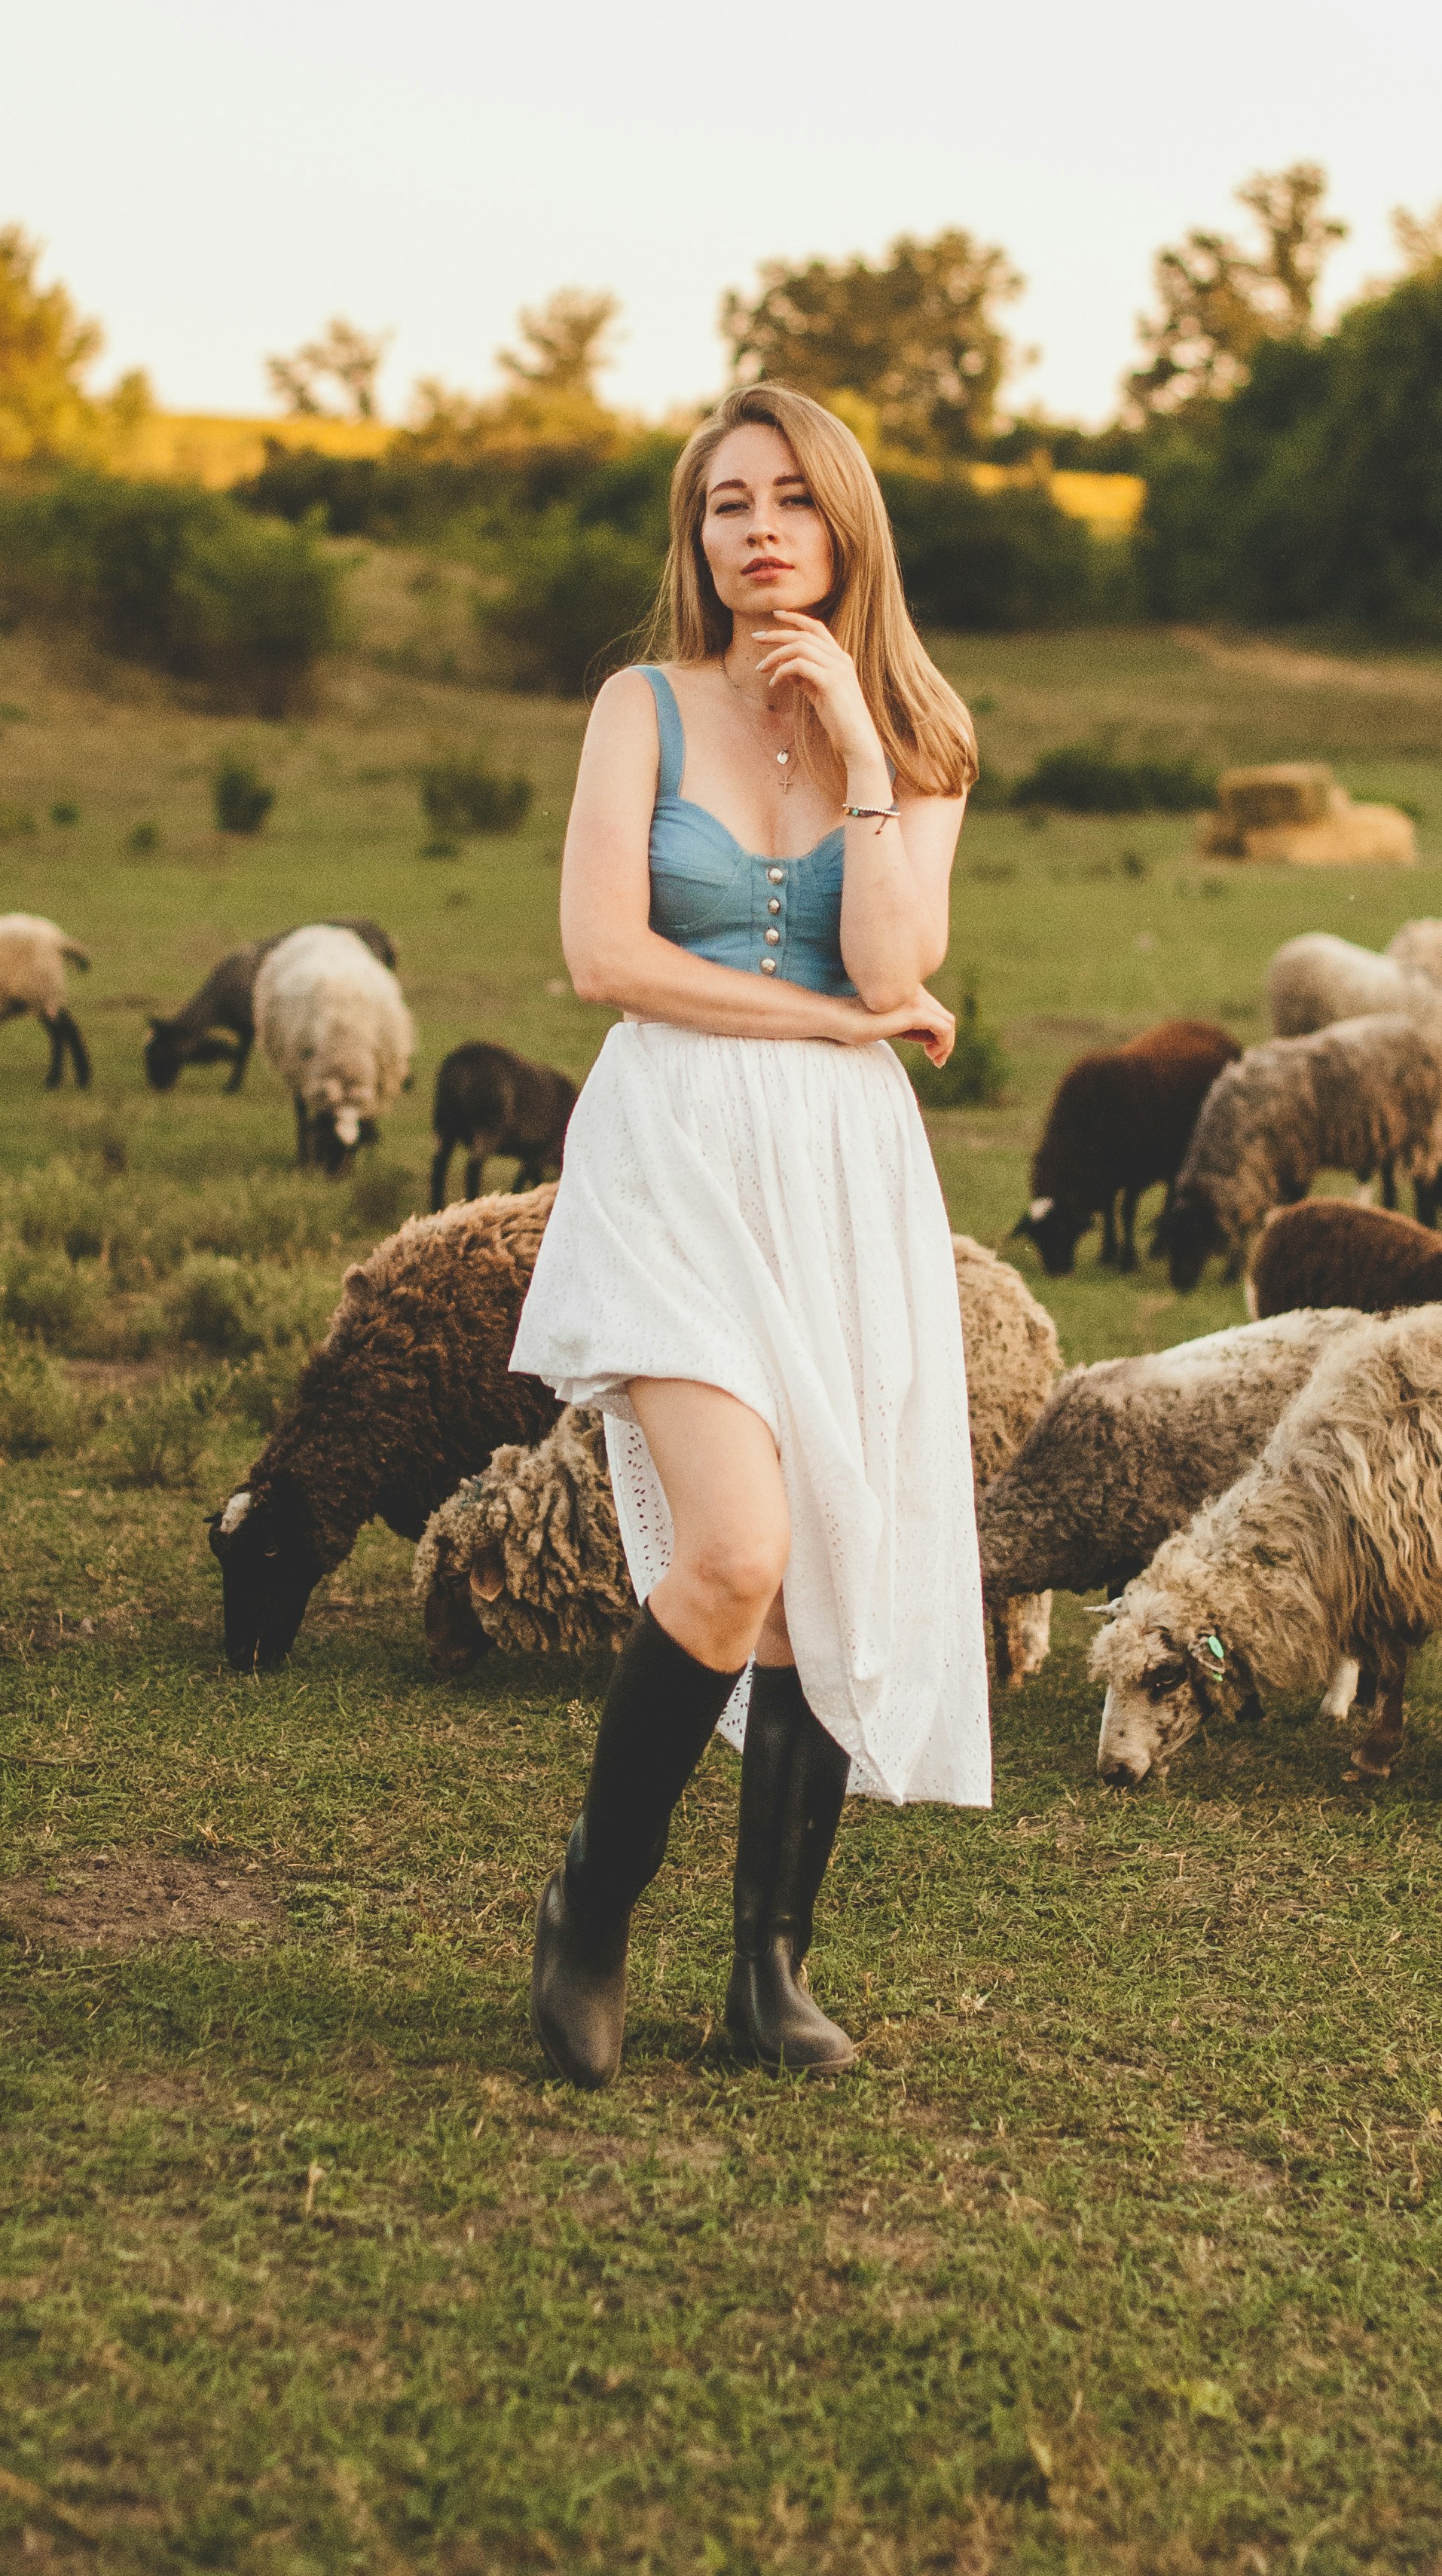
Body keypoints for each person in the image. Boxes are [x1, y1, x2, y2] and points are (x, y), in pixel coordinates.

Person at [509, 381, 991, 2091]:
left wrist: (861, 753)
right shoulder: (637, 708)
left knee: (824, 1557)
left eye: (791, 498)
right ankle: (589, 1910)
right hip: (672, 1149)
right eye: (727, 503)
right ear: (695, 534)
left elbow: (888, 965)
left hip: (845, 1176)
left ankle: (766, 1973)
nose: (760, 529)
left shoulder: (922, 736)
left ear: (845, 524)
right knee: (728, 1552)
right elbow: (605, 961)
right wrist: (821, 1032)